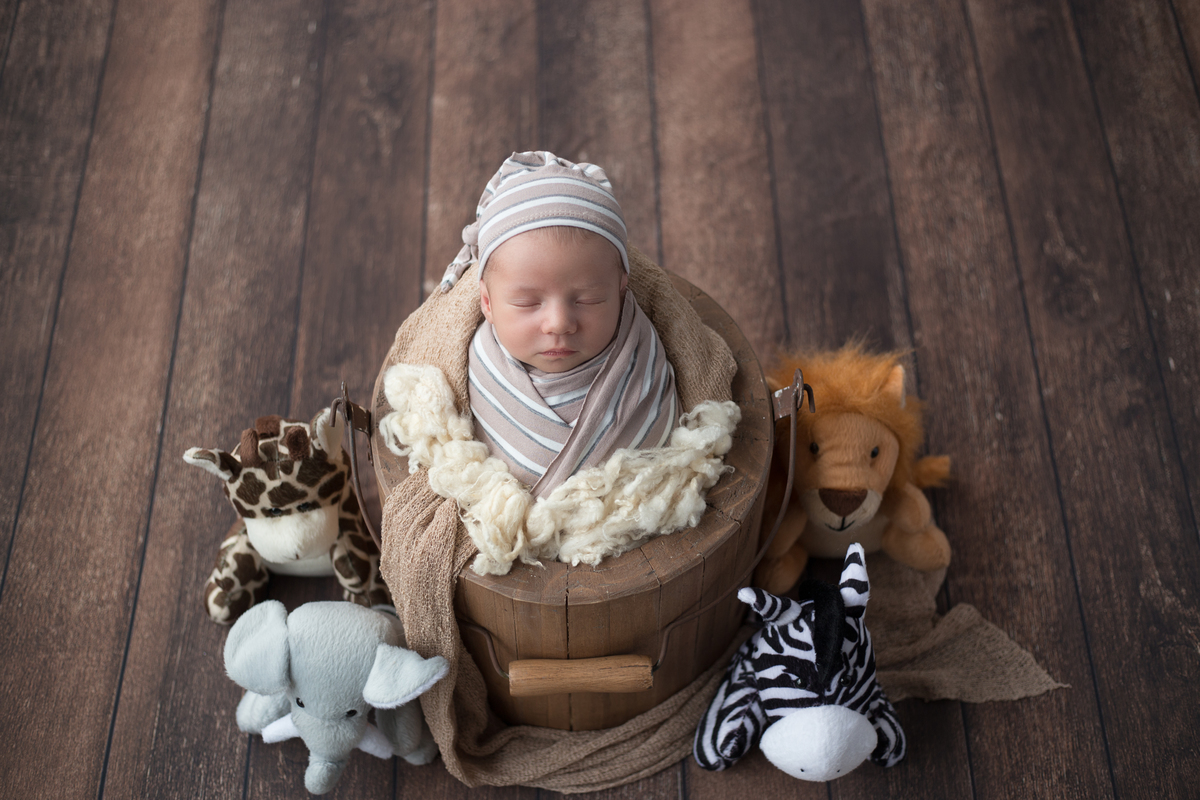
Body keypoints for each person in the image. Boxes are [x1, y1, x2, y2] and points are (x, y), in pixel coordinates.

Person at [438, 151, 679, 497]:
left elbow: (670, 460)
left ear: (622, 292)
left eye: (588, 299)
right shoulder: (474, 365)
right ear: (487, 304)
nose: (560, 323)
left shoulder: (641, 360)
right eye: (527, 302)